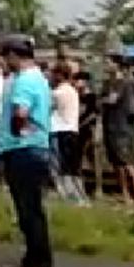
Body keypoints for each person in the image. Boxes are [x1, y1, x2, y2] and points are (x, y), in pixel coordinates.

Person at [0, 34, 54, 267]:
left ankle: (39, 264)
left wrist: (18, 130)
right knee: (30, 209)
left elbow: (20, 112)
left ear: (12, 55)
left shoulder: (24, 81)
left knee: (29, 210)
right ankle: (31, 260)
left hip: (23, 150)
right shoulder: (38, 78)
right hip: (33, 148)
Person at [102, 54, 134, 207]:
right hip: (111, 125)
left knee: (127, 163)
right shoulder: (108, 83)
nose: (106, 65)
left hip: (123, 126)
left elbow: (112, 100)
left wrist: (103, 100)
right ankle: (125, 194)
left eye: (108, 62)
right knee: (116, 163)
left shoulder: (126, 83)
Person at [50, 66, 86, 205]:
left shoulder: (57, 93)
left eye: (54, 74)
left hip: (60, 130)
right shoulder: (73, 91)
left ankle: (67, 194)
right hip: (73, 129)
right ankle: (78, 194)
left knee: (60, 165)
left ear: (60, 75)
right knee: (73, 165)